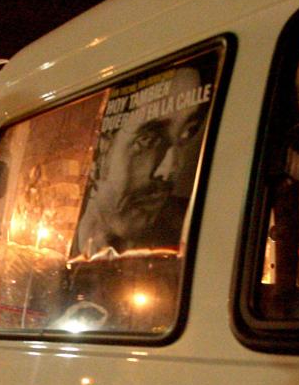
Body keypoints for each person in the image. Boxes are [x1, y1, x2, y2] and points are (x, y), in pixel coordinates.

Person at [72, 65, 210, 258]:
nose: (169, 169)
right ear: (102, 150)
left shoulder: (201, 234)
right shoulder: (38, 257)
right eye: (148, 140)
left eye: (187, 133)